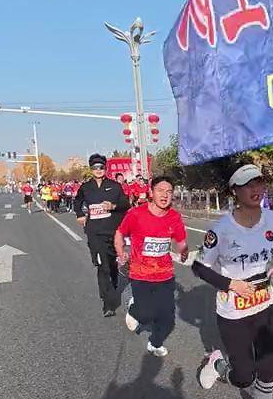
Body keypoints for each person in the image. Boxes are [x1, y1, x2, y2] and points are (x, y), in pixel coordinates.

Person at [193, 163, 273, 399]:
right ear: (235, 191)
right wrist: (231, 285)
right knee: (243, 376)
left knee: (268, 367)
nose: (256, 190)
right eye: (248, 185)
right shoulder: (221, 230)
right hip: (233, 311)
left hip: (265, 305)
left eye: (260, 183)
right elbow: (199, 268)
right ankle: (217, 367)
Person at [115, 174, 188, 358]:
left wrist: (184, 250)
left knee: (167, 317)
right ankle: (134, 308)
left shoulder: (174, 217)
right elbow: (120, 233)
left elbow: (180, 239)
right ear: (151, 192)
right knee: (146, 314)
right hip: (141, 274)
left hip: (165, 274)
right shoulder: (136, 214)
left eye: (169, 192)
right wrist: (120, 251)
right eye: (160, 191)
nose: (165, 195)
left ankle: (155, 343)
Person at [74, 153, 130, 316]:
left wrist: (113, 206)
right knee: (103, 265)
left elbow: (125, 204)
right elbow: (77, 202)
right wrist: (80, 215)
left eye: (101, 167)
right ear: (91, 169)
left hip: (113, 231)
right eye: (95, 167)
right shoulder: (86, 187)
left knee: (112, 265)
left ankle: (108, 289)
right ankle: (108, 303)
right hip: (95, 232)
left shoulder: (114, 186)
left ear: (105, 168)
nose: (98, 170)